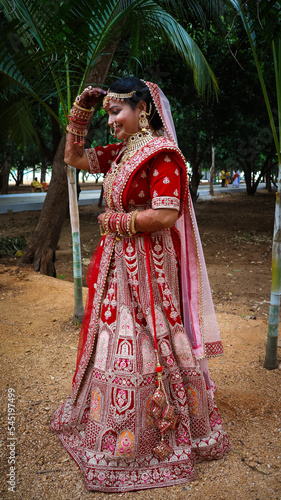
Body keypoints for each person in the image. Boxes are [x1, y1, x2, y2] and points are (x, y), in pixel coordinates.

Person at [51, 77, 230, 492]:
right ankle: (110, 422)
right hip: (119, 260)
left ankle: (154, 430)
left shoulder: (162, 155)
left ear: (143, 109)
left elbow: (166, 214)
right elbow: (72, 157)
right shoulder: (122, 152)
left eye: (117, 111)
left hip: (149, 262)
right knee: (116, 332)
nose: (110, 120)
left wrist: (116, 221)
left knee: (149, 332)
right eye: (108, 113)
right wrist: (82, 111)